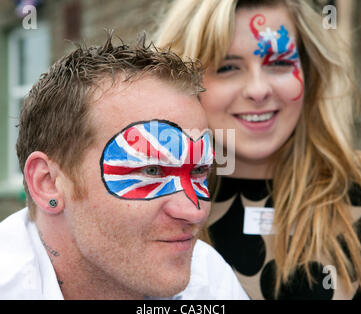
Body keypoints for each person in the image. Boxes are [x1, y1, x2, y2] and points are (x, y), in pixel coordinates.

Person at [0, 33, 249, 300]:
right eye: (152, 171)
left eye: (199, 170)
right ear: (47, 183)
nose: (195, 212)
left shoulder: (207, 279)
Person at [155, 0, 361, 299]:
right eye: (228, 67)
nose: (258, 90)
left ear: (309, 70)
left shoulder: (356, 192)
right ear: (182, 82)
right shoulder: (147, 204)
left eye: (279, 63)